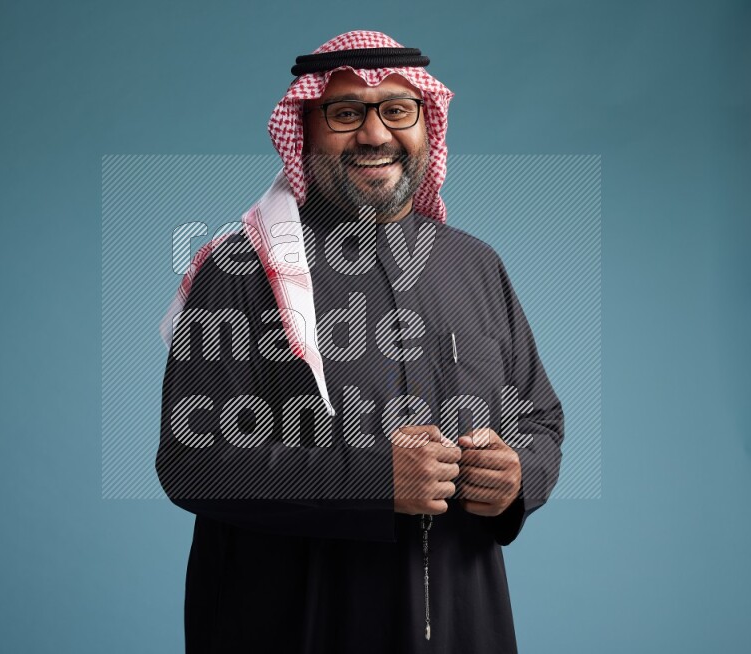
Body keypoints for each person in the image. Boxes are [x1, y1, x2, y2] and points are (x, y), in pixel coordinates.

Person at [156, 30, 564, 653]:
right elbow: (192, 462)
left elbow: (539, 419)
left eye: (397, 111)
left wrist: (518, 476)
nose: (375, 136)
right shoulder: (242, 270)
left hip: (464, 622)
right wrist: (374, 479)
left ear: (427, 124)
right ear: (305, 127)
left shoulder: (475, 265)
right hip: (296, 624)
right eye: (346, 114)